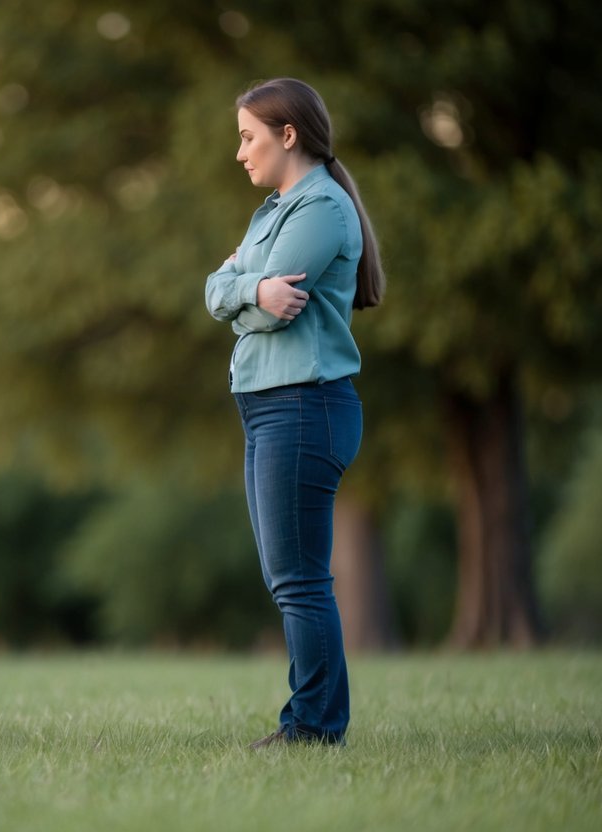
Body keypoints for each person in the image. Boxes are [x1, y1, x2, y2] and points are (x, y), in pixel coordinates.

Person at [204, 78, 385, 748]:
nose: (239, 152)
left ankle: (311, 727)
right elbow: (219, 290)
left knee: (298, 580)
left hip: (303, 406)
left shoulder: (318, 211)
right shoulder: (271, 212)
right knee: (289, 579)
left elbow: (272, 315)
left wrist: (236, 289)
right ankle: (317, 722)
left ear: (288, 135)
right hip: (270, 410)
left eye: (249, 137)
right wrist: (246, 287)